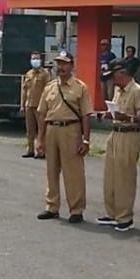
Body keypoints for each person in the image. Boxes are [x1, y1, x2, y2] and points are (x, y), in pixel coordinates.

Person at [36, 50, 93, 224]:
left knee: (74, 172)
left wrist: (86, 140)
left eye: (65, 63)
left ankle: (76, 209)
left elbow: (86, 115)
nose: (61, 67)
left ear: (72, 66)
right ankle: (52, 206)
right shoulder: (50, 87)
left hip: (71, 130)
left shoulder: (80, 87)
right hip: (52, 129)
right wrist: (40, 138)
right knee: (51, 170)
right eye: (59, 63)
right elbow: (42, 114)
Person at [96, 59, 140, 232]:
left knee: (125, 177)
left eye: (114, 75)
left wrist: (127, 117)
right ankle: (112, 213)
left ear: (122, 73)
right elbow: (116, 111)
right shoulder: (118, 90)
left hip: (129, 134)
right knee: (111, 177)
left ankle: (125, 217)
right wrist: (107, 114)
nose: (112, 79)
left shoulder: (137, 91)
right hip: (115, 134)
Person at [20, 51, 51, 159]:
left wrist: (47, 106)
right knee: (30, 130)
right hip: (29, 105)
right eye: (33, 59)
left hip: (40, 107)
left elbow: (48, 90)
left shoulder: (45, 74)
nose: (35, 61)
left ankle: (41, 151)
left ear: (41, 60)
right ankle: (30, 150)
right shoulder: (29, 73)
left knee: (41, 130)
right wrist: (22, 105)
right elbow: (24, 90)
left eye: (37, 59)